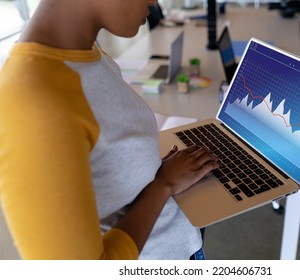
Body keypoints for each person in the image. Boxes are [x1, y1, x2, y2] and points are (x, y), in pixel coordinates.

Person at [0, 0, 219, 260]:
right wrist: (162, 184)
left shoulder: (86, 53)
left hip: (179, 246)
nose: (154, 2)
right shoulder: (29, 103)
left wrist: (153, 169)